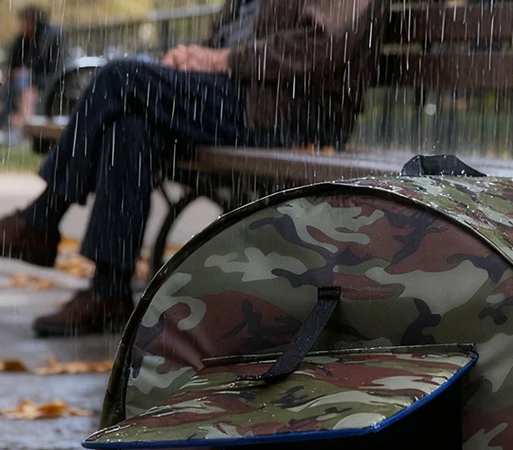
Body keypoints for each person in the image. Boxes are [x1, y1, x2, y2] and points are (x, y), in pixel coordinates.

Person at [0, 0, 386, 336]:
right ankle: (108, 292)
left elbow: (319, 48)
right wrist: (192, 58)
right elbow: (224, 42)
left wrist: (220, 60)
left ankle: (42, 219)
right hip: (239, 97)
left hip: (287, 113)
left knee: (119, 77)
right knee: (128, 128)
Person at [2, 6, 62, 142]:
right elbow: (13, 60)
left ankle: (24, 123)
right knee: (16, 84)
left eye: (24, 22)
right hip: (23, 82)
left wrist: (30, 76)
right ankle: (16, 122)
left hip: (48, 80)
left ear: (32, 22)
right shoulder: (23, 39)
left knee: (24, 84)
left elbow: (50, 66)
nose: (22, 26)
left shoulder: (49, 37)